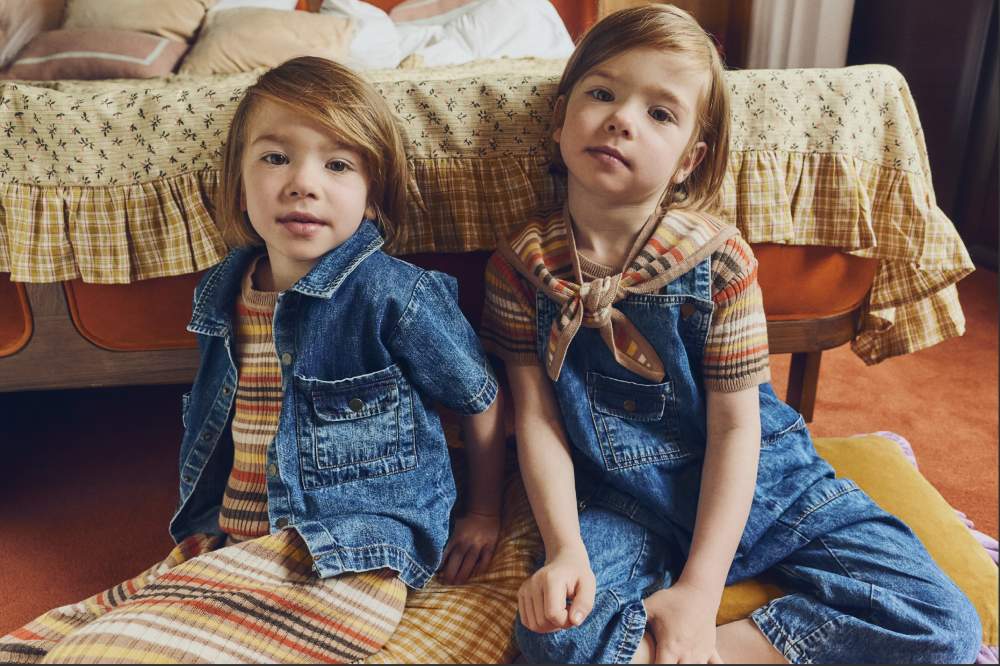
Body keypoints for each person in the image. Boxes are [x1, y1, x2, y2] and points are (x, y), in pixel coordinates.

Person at [480, 5, 981, 664]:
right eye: (602, 93)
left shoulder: (719, 261)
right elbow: (538, 419)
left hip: (766, 481)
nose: (622, 118)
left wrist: (699, 594)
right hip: (623, 500)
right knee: (554, 637)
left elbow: (737, 428)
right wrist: (567, 547)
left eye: (660, 113)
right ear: (561, 116)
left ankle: (709, 653)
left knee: (943, 622)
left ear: (690, 159)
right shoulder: (519, 268)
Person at [0, 56, 504, 664]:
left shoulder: (394, 296)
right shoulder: (222, 291)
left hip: (350, 551)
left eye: (338, 164)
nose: (302, 183)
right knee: (54, 640)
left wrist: (481, 510)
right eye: (275, 158)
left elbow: (481, 398)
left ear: (373, 199)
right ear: (240, 187)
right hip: (234, 538)